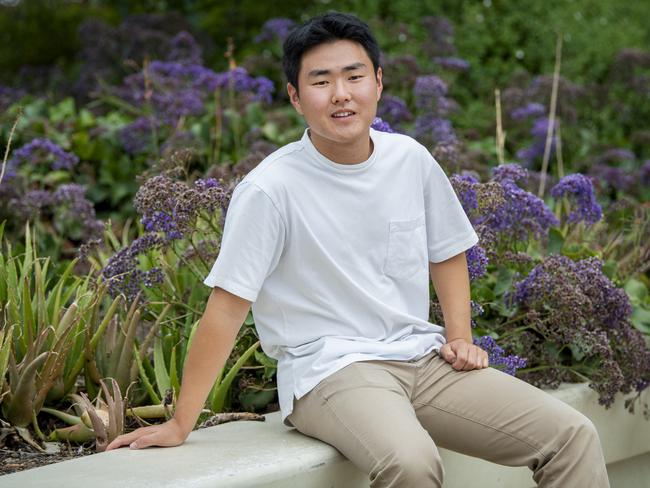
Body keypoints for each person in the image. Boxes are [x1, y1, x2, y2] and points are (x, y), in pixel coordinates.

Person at [106, 11, 610, 488]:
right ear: (295, 97)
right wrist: (181, 422)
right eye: (321, 81)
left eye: (354, 76)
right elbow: (227, 307)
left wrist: (460, 336)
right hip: (330, 372)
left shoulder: (409, 159)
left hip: (423, 357)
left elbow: (448, 249)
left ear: (378, 83)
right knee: (410, 464)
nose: (340, 94)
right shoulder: (270, 190)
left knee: (572, 436)